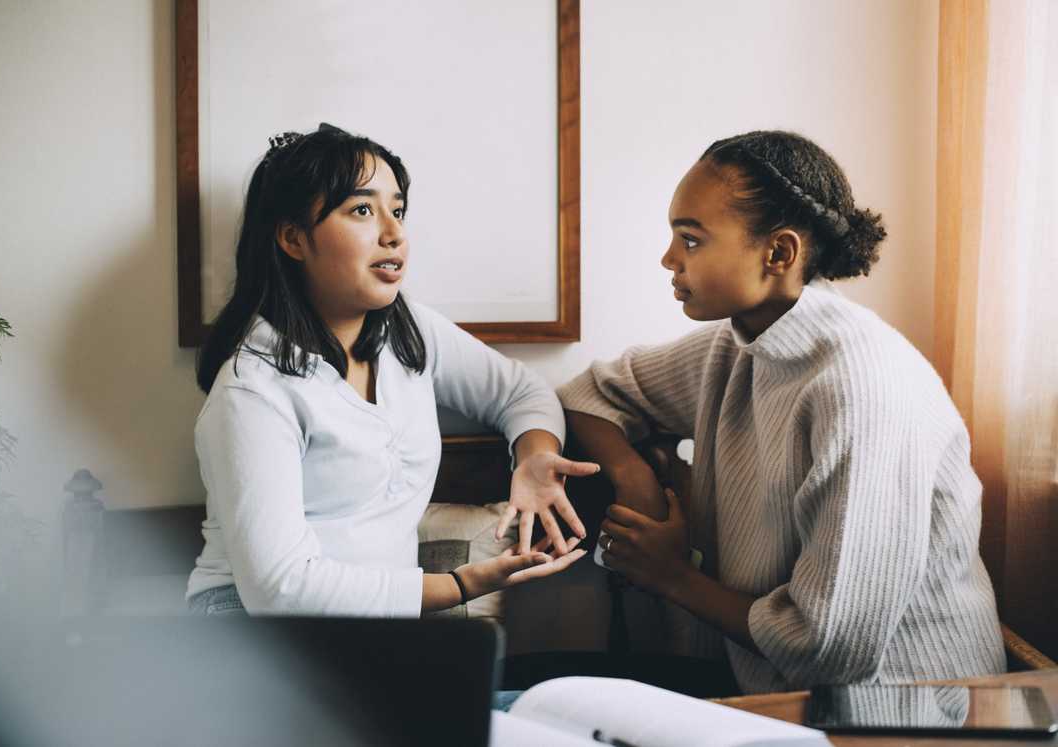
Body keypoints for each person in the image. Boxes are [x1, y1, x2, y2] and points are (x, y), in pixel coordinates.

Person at [558, 130, 1006, 694]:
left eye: (690, 240)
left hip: (901, 714)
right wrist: (632, 477)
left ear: (779, 253)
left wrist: (670, 575)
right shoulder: (737, 345)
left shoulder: (861, 387)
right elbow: (591, 391)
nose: (669, 259)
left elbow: (828, 650)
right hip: (778, 698)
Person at [186, 124, 597, 617]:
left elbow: (520, 392)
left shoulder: (409, 332)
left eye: (397, 210)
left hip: (370, 632)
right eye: (362, 210)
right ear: (293, 238)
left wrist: (533, 459)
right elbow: (279, 590)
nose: (394, 233)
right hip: (250, 636)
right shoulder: (252, 388)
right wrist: (460, 586)